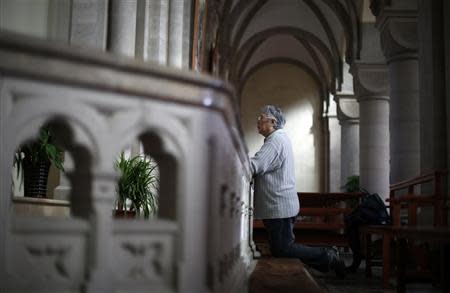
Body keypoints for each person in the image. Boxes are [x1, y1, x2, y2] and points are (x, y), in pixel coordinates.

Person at [250, 105, 346, 278]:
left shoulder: (275, 140)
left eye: (261, 117)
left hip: (279, 205)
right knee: (280, 249)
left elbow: (255, 165)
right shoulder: (277, 139)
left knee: (284, 249)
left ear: (273, 122)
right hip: (278, 205)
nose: (258, 120)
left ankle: (328, 256)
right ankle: (326, 257)